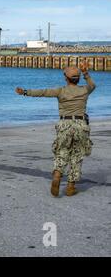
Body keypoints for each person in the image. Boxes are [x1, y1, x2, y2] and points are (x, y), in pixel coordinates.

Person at [15, 61, 96, 197]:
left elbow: (43, 92)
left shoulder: (60, 91)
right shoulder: (84, 90)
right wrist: (86, 73)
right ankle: (71, 187)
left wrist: (25, 92)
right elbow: (93, 85)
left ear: (66, 78)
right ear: (78, 79)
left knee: (62, 151)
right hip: (81, 125)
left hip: (65, 124)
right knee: (77, 155)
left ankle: (57, 175)